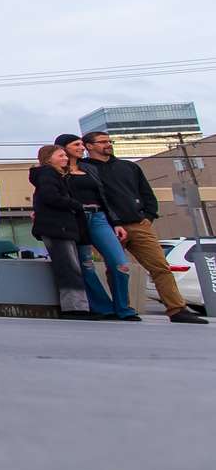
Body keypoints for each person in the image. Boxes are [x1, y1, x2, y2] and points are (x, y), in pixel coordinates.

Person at [82, 131, 208, 325]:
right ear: (89, 146)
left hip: (138, 224)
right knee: (116, 268)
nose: (108, 145)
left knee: (160, 267)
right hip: (107, 226)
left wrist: (148, 217)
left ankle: (177, 309)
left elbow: (146, 193)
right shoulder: (85, 169)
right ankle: (122, 309)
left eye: (109, 141)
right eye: (102, 142)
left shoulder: (129, 167)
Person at [54, 134, 135, 320]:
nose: (81, 148)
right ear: (63, 148)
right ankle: (103, 307)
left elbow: (103, 197)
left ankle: (123, 308)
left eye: (82, 144)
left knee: (120, 263)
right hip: (75, 219)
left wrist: (115, 222)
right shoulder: (56, 171)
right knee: (85, 265)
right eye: (76, 145)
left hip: (98, 217)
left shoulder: (89, 169)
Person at [29, 146, 95, 319]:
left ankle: (78, 306)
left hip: (60, 227)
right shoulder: (48, 174)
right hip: (58, 228)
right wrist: (75, 205)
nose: (66, 158)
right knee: (68, 267)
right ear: (48, 158)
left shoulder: (51, 175)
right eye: (61, 155)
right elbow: (50, 196)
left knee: (69, 266)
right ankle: (74, 308)